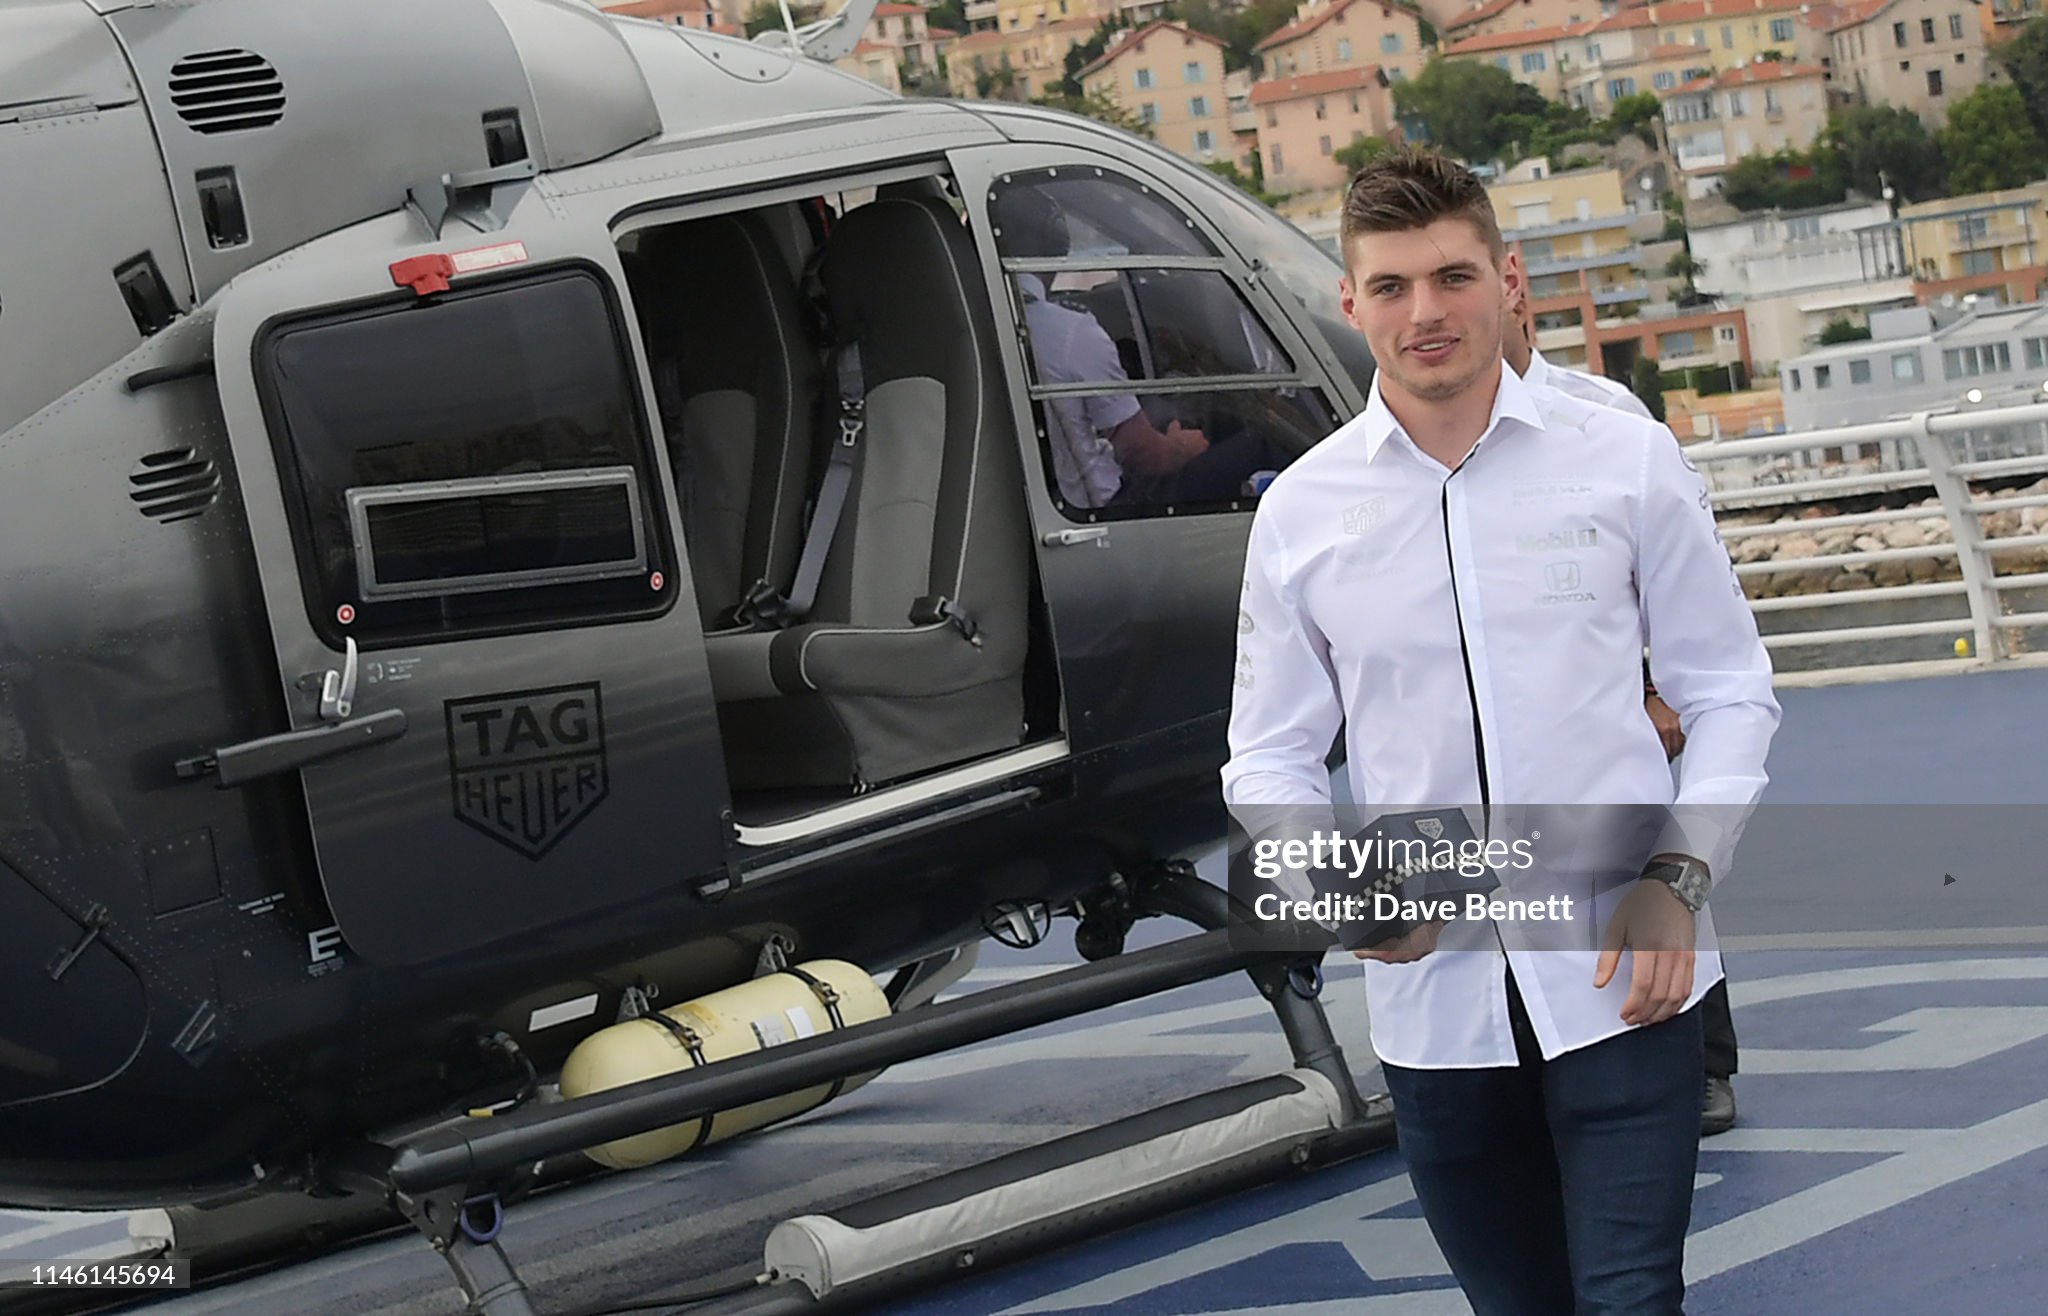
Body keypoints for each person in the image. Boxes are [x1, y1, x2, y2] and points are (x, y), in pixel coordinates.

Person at [1223, 147, 1778, 1314]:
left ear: (1507, 278)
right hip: (1435, 1012)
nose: (1424, 312)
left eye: (1451, 276)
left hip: (1626, 971)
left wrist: (1679, 875)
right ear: (1349, 302)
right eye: (1390, 286)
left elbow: (1728, 688)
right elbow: (1267, 754)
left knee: (1629, 1297)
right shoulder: (1300, 512)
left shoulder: (1622, 457)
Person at [1502, 289, 1743, 1137]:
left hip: (1620, 694)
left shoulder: (1608, 416)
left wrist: (1658, 689)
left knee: (1663, 861)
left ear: (1514, 292)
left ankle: (1706, 1058)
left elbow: (1660, 576)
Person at [990, 185, 1280, 509]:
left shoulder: (986, 322)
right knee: (1257, 446)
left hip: (1032, 499)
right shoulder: (1070, 331)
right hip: (1104, 506)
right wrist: (1180, 448)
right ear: (1056, 242)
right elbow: (1142, 454)